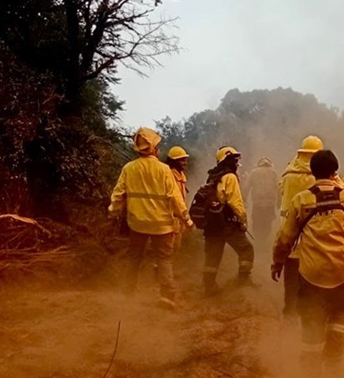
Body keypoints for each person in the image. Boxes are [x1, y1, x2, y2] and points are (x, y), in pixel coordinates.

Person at [272, 149, 344, 372]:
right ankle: (332, 369)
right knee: (339, 318)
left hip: (312, 275)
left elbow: (285, 237)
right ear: (335, 171)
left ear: (312, 172)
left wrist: (278, 261)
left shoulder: (302, 200)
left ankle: (310, 377)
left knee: (311, 324)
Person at [108, 128, 194, 308]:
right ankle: (167, 296)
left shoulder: (129, 168)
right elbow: (175, 198)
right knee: (164, 259)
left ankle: (127, 294)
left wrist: (112, 212)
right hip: (162, 226)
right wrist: (187, 219)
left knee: (134, 259)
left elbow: (118, 194)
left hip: (137, 224)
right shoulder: (164, 170)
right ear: (154, 148)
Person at [278, 135, 324, 319]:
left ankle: (289, 310)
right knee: (311, 272)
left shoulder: (288, 173)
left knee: (291, 271)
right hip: (313, 230)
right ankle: (309, 310)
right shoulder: (320, 175)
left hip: (289, 229)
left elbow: (280, 191)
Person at [200, 146, 255, 295]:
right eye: (235, 160)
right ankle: (243, 282)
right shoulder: (230, 177)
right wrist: (243, 221)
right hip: (227, 223)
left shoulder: (213, 176)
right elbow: (235, 202)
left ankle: (209, 287)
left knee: (213, 256)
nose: (237, 163)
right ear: (228, 160)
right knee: (246, 250)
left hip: (212, 224)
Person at [246, 157, 280, 245]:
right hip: (270, 204)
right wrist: (279, 202)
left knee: (257, 222)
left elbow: (247, 187)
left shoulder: (254, 173)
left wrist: (244, 200)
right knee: (267, 223)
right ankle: (264, 241)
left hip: (257, 204)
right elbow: (279, 188)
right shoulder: (274, 173)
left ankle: (258, 241)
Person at [166, 146, 190, 258]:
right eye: (182, 160)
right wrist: (187, 218)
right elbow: (175, 198)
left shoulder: (180, 176)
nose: (185, 162)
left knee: (175, 249)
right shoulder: (169, 175)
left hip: (178, 220)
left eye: (185, 160)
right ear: (174, 161)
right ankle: (161, 273)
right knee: (167, 251)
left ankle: (167, 272)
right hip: (170, 219)